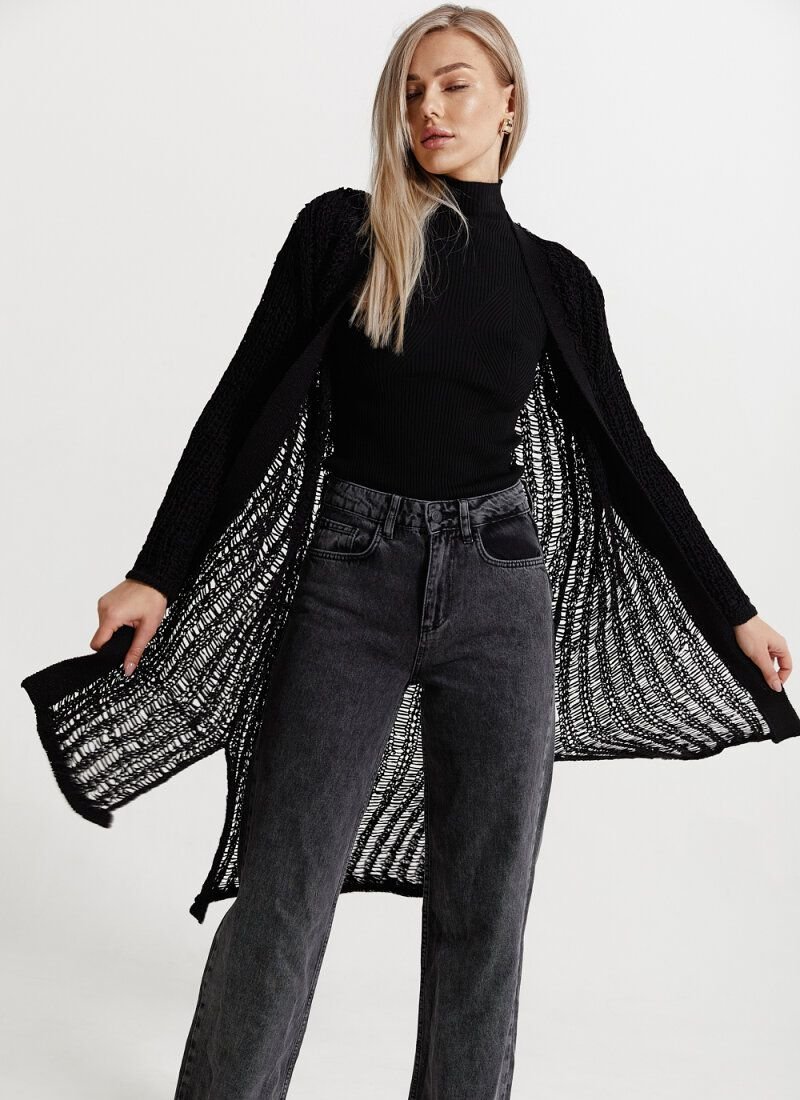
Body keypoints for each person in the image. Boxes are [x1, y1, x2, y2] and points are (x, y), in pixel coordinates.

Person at [20, 6, 795, 1099]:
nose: (429, 108)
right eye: (412, 91)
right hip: (351, 578)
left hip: (501, 590)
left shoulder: (554, 280)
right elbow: (238, 406)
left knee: (486, 902)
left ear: (508, 103)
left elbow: (631, 459)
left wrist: (733, 613)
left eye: (455, 84)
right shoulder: (345, 233)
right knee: (284, 885)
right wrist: (158, 570)